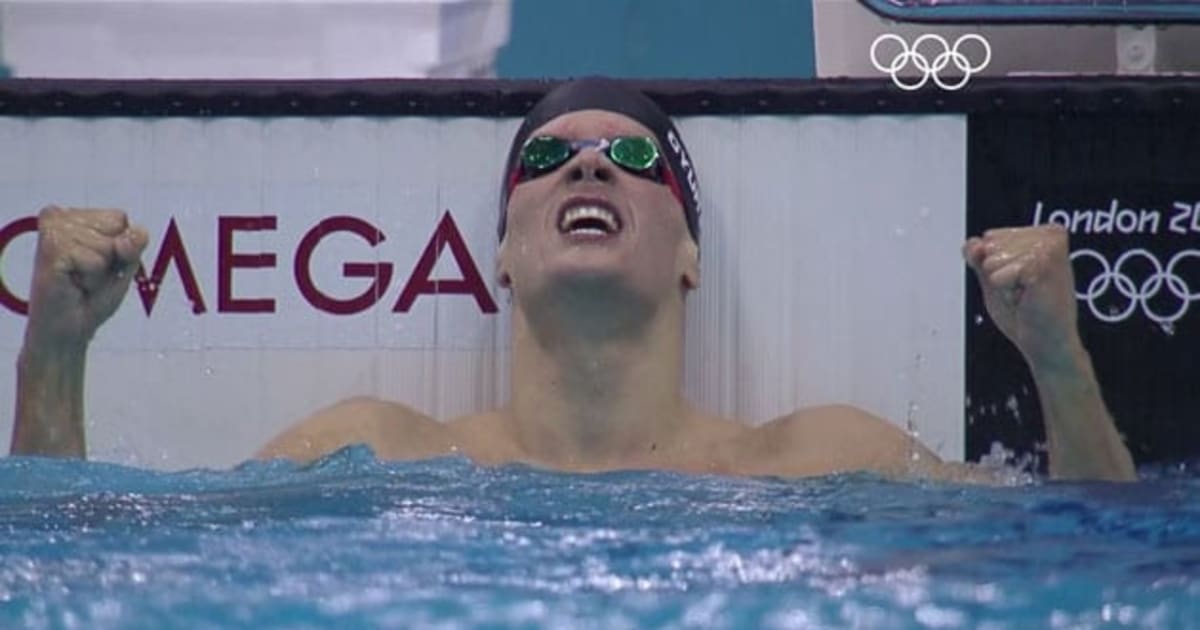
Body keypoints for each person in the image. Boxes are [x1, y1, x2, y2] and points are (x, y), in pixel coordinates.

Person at [9, 78, 1136, 482]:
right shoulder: (369, 448)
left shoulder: (821, 459)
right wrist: (53, 350)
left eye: (633, 157)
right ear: (499, 254)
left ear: (691, 256)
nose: (589, 162)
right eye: (545, 159)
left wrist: (1058, 361)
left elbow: (1097, 569)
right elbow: (74, 566)